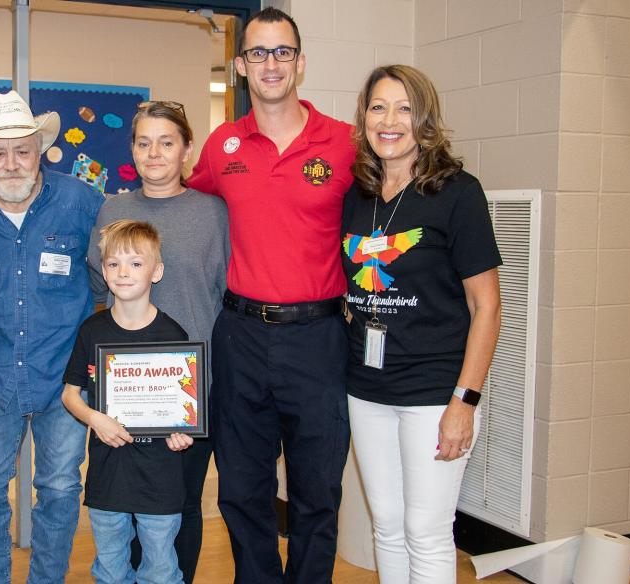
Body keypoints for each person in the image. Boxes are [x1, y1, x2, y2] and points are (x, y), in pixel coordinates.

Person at [186, 7, 356, 584]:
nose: (271, 64)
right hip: (241, 337)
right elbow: (185, 206)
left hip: (319, 338)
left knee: (317, 492)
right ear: (240, 66)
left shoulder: (344, 144)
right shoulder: (222, 145)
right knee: (241, 490)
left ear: (301, 62)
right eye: (258, 53)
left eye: (282, 51)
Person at [341, 64, 502, 584]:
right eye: (378, 107)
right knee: (386, 526)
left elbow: (487, 307)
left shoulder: (458, 192)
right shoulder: (357, 193)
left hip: (434, 392)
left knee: (427, 529)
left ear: (425, 118)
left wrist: (465, 401)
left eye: (405, 108)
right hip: (365, 387)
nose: (389, 121)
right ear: (364, 116)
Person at [0, 90, 104, 583]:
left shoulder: (81, 202)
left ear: (40, 152)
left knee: (58, 490)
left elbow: (113, 272)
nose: (11, 163)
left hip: (66, 381)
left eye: (22, 151)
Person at [85, 101, 229, 583]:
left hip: (185, 396)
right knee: (119, 511)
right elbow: (96, 287)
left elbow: (228, 296)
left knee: (179, 510)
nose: (154, 153)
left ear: (187, 149)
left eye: (167, 142)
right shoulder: (113, 209)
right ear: (131, 150)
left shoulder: (212, 214)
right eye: (143, 142)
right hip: (123, 397)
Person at [64, 219, 196, 584]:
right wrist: (95, 418)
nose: (123, 273)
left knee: (161, 569)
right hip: (109, 475)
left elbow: (183, 413)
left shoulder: (173, 335)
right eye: (113, 264)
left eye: (136, 263)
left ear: (157, 272)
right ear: (103, 271)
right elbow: (70, 394)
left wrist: (181, 434)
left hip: (160, 479)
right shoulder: (92, 331)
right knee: (109, 568)